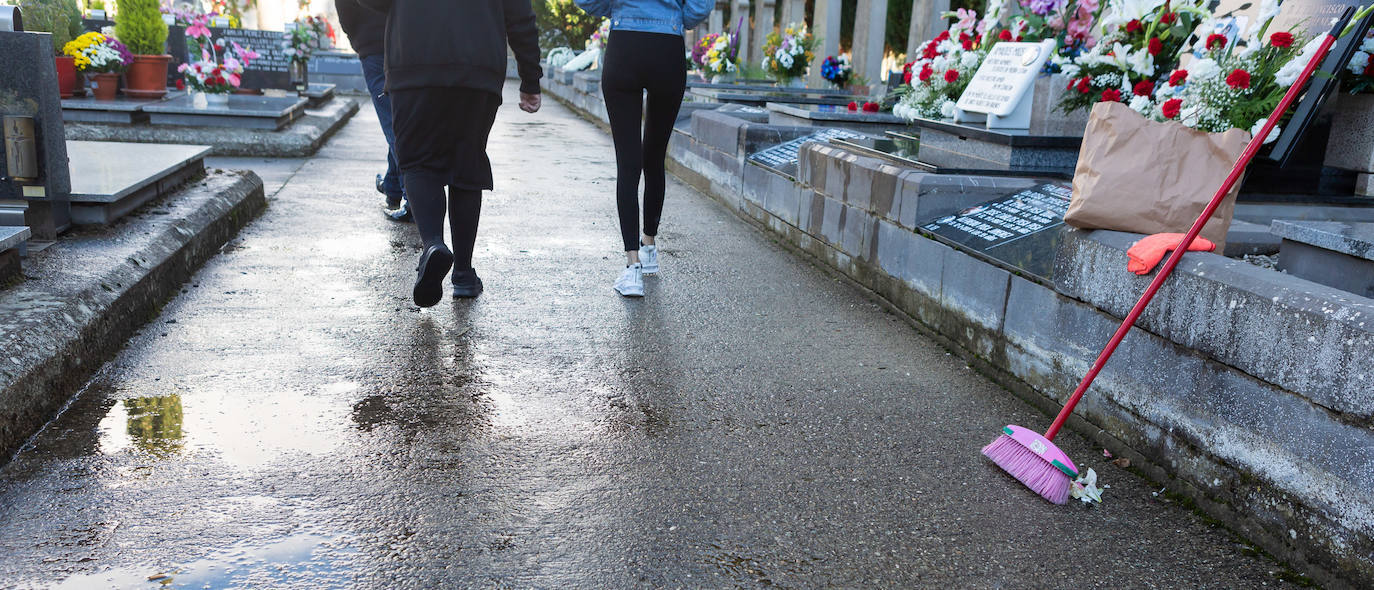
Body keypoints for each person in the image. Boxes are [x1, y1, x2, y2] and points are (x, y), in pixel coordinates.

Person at [358, 0, 543, 307]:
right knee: (467, 165)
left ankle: (432, 244)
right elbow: (520, 15)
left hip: (413, 62)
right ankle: (464, 276)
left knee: (417, 162)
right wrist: (530, 78)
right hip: (478, 68)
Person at [574, 0, 711, 297]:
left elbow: (585, 1)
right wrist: (674, 17)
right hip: (668, 49)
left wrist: (616, 10)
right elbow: (700, 6)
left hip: (625, 45)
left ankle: (632, 267)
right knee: (654, 157)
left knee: (628, 163)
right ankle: (649, 246)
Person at [336, 0, 410, 222]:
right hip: (404, 41)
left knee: (395, 122)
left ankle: (412, 198)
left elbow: (346, 11)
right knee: (398, 117)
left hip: (377, 47)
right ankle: (394, 185)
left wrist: (359, 39)